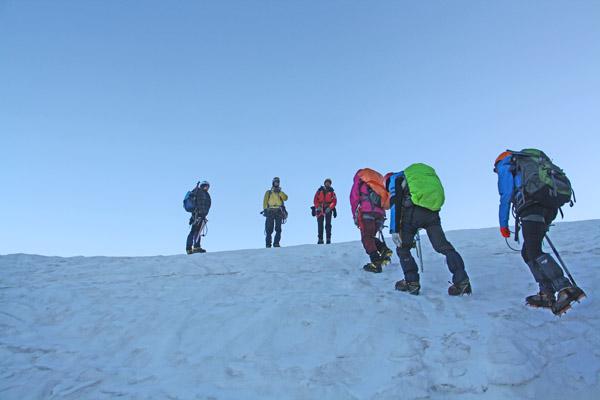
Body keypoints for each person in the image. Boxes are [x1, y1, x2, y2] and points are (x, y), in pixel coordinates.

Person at [494, 149, 584, 315]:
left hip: (530, 206)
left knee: (533, 250)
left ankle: (565, 288)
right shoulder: (531, 162)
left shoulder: (505, 165)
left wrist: (503, 225)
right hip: (548, 206)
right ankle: (546, 293)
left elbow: (506, 195)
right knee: (528, 252)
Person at [386, 164, 470, 296]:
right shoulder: (416, 176)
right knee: (444, 247)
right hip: (432, 212)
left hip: (412, 213)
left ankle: (411, 282)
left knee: (403, 248)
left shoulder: (394, 179)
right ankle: (462, 280)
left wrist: (394, 229)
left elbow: (395, 202)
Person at [350, 168, 394, 273]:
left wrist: (355, 215)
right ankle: (384, 250)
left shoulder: (360, 181)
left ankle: (376, 263)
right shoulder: (377, 183)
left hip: (367, 213)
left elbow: (354, 197)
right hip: (380, 215)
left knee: (366, 238)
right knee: (370, 237)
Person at [185, 181, 211, 254]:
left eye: (208, 186)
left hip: (201, 215)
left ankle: (195, 247)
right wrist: (199, 213)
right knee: (194, 231)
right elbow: (198, 202)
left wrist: (203, 215)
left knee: (197, 231)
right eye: (205, 186)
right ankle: (191, 248)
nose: (207, 187)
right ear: (202, 185)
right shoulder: (199, 191)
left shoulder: (205, 194)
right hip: (197, 215)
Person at [262, 177, 288, 248]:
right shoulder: (269, 192)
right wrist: (265, 209)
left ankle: (276, 243)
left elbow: (286, 198)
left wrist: (280, 192)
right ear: (273, 182)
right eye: (275, 182)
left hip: (279, 211)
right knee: (269, 229)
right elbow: (265, 201)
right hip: (270, 211)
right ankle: (268, 244)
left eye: (278, 182)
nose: (277, 183)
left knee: (278, 228)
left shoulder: (280, 192)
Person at [312, 178, 338, 244]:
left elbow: (334, 201)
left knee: (328, 224)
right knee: (320, 224)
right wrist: (318, 206)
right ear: (324, 183)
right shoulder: (319, 190)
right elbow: (315, 200)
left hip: (328, 209)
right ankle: (320, 239)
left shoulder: (332, 192)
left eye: (329, 183)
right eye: (327, 182)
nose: (328, 183)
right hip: (320, 209)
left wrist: (330, 207)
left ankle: (328, 239)